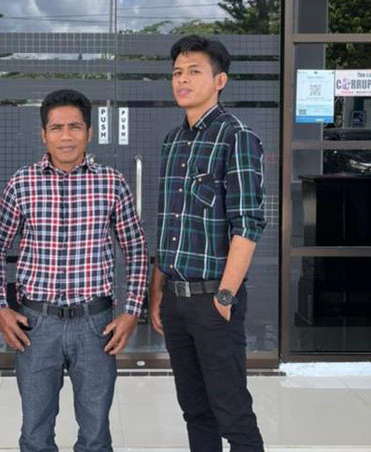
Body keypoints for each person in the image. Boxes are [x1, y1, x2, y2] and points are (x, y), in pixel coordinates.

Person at [0, 89, 148, 452]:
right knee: (35, 434)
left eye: (74, 127)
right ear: (43, 134)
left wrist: (131, 313)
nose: (66, 136)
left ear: (89, 132)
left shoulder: (112, 183)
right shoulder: (22, 183)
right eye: (56, 128)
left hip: (96, 325)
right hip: (36, 325)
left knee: (95, 435)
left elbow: (136, 250)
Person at [148, 35, 266, 452]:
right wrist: (157, 291)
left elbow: (248, 224)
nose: (182, 79)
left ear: (220, 80)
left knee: (232, 412)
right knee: (195, 410)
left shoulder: (237, 137)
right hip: (176, 300)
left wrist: (226, 296)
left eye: (193, 71)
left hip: (214, 300)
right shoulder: (172, 142)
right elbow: (169, 224)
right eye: (177, 72)